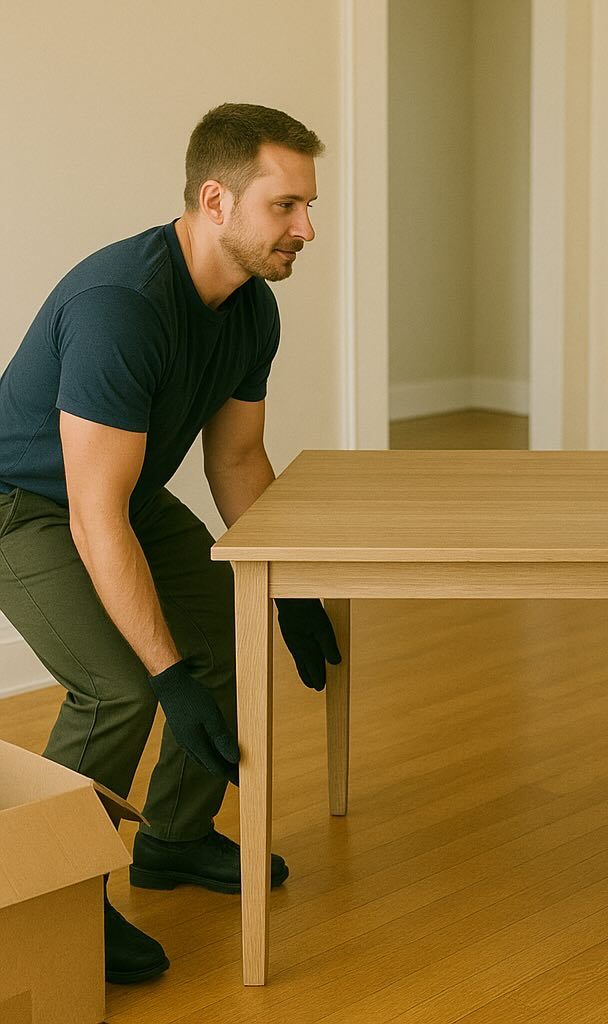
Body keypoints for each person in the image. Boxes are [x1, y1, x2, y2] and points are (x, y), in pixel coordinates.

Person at [0, 103, 341, 983]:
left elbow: (236, 460)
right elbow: (90, 513)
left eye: (309, 206)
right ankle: (55, 896)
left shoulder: (250, 309)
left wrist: (289, 586)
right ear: (216, 200)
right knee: (117, 691)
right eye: (286, 206)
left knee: (230, 627)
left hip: (120, 489)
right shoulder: (124, 305)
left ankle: (174, 840)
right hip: (23, 505)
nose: (308, 227)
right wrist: (164, 674)